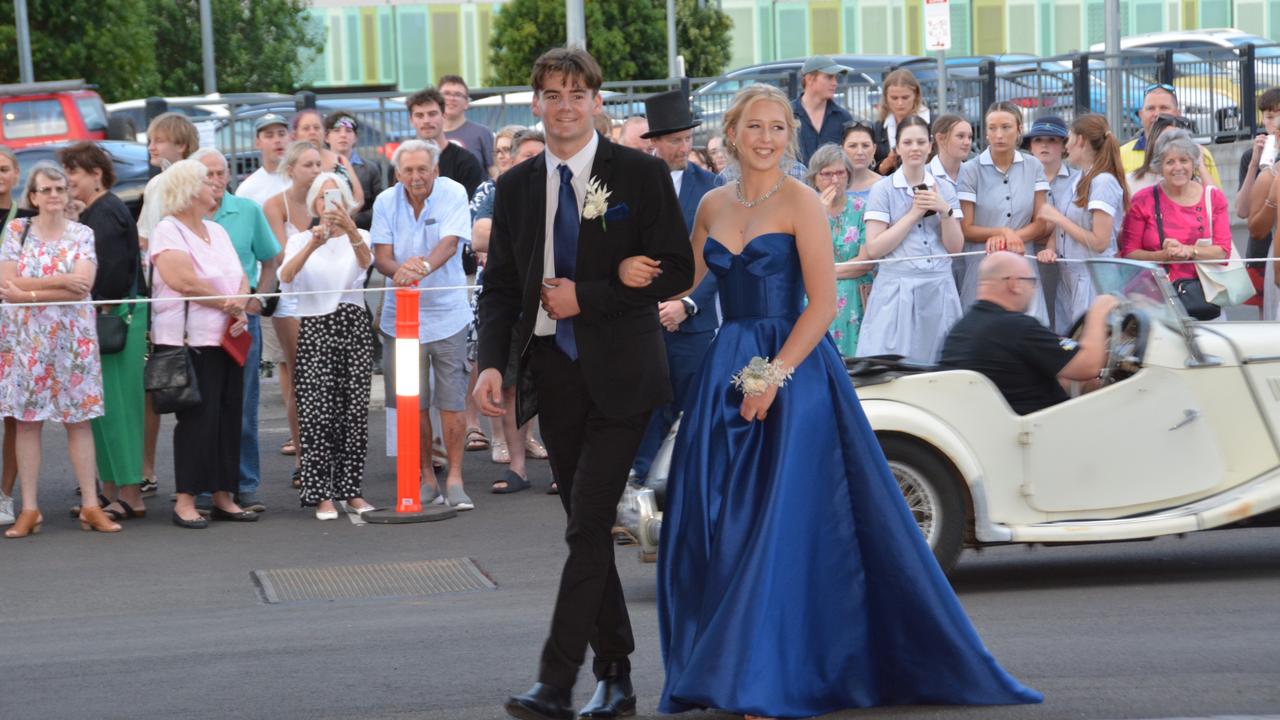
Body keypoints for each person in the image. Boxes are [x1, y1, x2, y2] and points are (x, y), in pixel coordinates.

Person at [641, 84, 1041, 718]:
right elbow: (686, 280)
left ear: (788, 136)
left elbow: (824, 305)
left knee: (781, 524)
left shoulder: (801, 202)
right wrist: (630, 268)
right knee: (723, 522)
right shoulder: (712, 204)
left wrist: (771, 378)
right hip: (730, 364)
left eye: (778, 127)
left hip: (792, 365)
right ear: (734, 134)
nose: (767, 137)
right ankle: (733, 666)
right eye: (755, 127)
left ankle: (765, 676)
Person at [473, 47, 693, 720]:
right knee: (587, 529)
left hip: (624, 375)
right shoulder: (514, 188)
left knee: (587, 525)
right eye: (552, 94)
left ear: (598, 101)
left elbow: (678, 268)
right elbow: (502, 289)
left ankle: (556, 680)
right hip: (554, 376)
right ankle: (618, 677)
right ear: (535, 102)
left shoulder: (640, 173)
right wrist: (490, 364)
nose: (565, 106)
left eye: (577, 94)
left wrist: (590, 296)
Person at [0, 164, 116, 538]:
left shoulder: (83, 233)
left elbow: (83, 286)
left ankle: (90, 504)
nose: (54, 196)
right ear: (32, 197)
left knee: (78, 421)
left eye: (60, 189)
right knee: (27, 423)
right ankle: (29, 509)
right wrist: (60, 281)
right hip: (27, 342)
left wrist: (30, 292)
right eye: (46, 189)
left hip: (73, 340)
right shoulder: (17, 231)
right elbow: (6, 284)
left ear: (68, 195)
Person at [149, 159, 256, 529]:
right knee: (198, 420)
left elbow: (241, 275)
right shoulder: (169, 230)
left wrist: (240, 302)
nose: (214, 184)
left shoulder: (217, 230)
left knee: (230, 416)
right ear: (187, 189)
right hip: (191, 341)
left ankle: (225, 494)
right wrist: (226, 303)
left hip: (228, 338)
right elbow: (183, 281)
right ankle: (186, 499)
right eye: (205, 180)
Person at [372, 139, 475, 510]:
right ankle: (427, 478)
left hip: (448, 316)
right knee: (412, 403)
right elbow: (381, 256)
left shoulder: (453, 191)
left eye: (422, 170)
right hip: (401, 319)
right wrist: (402, 271)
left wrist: (423, 267)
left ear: (435, 170)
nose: (416, 177)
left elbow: (450, 245)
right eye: (408, 171)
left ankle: (456, 479)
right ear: (398, 174)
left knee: (452, 403)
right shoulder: (386, 201)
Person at [628, 89, 723, 486]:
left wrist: (688, 304)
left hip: (694, 322)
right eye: (674, 140)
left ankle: (694, 489)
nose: (684, 147)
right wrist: (648, 304)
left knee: (696, 409)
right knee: (645, 408)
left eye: (688, 138)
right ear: (654, 142)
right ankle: (637, 489)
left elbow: (723, 257)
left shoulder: (713, 186)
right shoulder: (629, 182)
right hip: (642, 319)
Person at [279, 173, 376, 520]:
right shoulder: (299, 239)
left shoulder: (360, 235)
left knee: (354, 412)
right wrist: (312, 245)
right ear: (313, 205)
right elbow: (286, 277)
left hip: (352, 323)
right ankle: (320, 494)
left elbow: (367, 264)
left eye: (334, 197)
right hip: (316, 326)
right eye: (321, 199)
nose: (328, 204)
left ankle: (351, 490)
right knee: (317, 413)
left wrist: (349, 229)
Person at [59, 143, 147, 521]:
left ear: (96, 173)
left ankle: (131, 494)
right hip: (115, 318)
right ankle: (112, 490)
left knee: (118, 410)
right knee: (106, 410)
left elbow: (109, 275)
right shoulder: (103, 210)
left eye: (73, 173)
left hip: (115, 319)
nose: (68, 181)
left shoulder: (105, 213)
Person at [193, 147, 281, 513]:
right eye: (207, 174)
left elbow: (271, 258)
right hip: (198, 321)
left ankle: (244, 483)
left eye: (220, 173)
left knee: (243, 404)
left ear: (229, 176)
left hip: (241, 322)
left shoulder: (247, 210)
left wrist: (259, 299)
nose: (215, 180)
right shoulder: (185, 215)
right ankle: (201, 486)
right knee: (201, 406)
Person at [939, 252, 1117, 414]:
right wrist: (1098, 312)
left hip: (987, 421)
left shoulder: (964, 327)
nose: (1034, 289)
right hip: (1038, 429)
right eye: (1031, 282)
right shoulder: (1017, 327)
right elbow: (1088, 366)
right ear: (1014, 284)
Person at [472, 129, 548, 490]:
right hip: (514, 309)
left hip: (557, 309)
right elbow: (480, 236)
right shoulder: (501, 193)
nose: (534, 162)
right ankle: (517, 468)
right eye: (526, 157)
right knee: (512, 387)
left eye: (540, 156)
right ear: (513, 161)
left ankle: (563, 471)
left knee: (559, 390)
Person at [858, 117, 964, 362]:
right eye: (907, 142)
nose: (914, 148)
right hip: (897, 291)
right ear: (898, 147)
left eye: (920, 142)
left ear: (930, 145)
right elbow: (874, 248)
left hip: (939, 289)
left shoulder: (945, 187)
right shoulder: (883, 189)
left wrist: (944, 211)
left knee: (941, 367)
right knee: (893, 366)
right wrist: (914, 213)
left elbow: (955, 248)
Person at [138, 113, 200, 499]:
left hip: (167, 299)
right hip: (180, 296)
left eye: (158, 140)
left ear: (180, 145)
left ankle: (147, 470)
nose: (151, 147)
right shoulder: (156, 184)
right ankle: (192, 479)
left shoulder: (162, 183)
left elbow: (145, 242)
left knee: (158, 383)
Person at [1035, 114, 1130, 334]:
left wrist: (1058, 218)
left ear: (1081, 141)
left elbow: (1099, 242)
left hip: (1093, 278)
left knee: (1090, 346)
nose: (1066, 145)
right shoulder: (1081, 178)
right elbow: (1066, 229)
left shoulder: (1103, 181)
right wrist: (1051, 248)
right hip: (1070, 276)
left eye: (1068, 138)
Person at [958, 101, 1051, 325]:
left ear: (1019, 129)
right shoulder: (970, 170)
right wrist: (1002, 232)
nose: (998, 134)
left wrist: (1013, 238)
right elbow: (966, 228)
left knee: (1028, 336)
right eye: (992, 128)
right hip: (983, 268)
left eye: (1006, 127)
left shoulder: (1034, 166)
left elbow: (1041, 222)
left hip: (1023, 265)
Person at [1119, 131, 1231, 316]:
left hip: (1204, 297)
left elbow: (1222, 251)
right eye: (1170, 162)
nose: (1178, 167)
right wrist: (1164, 255)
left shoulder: (1213, 198)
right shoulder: (1142, 200)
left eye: (1184, 160)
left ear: (1193, 164)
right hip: (1153, 299)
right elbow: (1129, 253)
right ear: (1159, 167)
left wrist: (1188, 251)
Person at [263, 141, 323, 485]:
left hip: (324, 294)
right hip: (291, 298)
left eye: (318, 164)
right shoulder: (275, 204)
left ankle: (327, 454)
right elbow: (281, 254)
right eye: (308, 165)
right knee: (300, 380)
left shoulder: (329, 201)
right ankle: (303, 457)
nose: (315, 170)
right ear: (291, 170)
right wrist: (312, 240)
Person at [806, 143, 872, 356]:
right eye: (827, 174)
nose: (834, 180)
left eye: (840, 173)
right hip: (817, 299)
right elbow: (804, 259)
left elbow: (865, 262)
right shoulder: (805, 211)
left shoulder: (862, 207)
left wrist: (825, 272)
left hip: (855, 298)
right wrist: (820, 215)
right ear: (815, 178)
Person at [1118, 84, 1221, 187]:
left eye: (1164, 108)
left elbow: (1216, 198)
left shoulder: (1200, 154)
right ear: (1141, 115)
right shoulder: (1121, 155)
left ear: (1178, 113)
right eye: (1150, 108)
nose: (1157, 114)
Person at [405, 86, 486, 197]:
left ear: (444, 116)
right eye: (419, 115)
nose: (426, 121)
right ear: (411, 120)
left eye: (432, 114)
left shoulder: (466, 162)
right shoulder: (403, 163)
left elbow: (472, 208)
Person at [0, 146, 22, 525]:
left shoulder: (29, 220)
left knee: (16, 417)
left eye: (3, 169)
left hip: (17, 326)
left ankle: (5, 495)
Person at [1237, 88, 1280, 276]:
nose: (1276, 124)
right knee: (1267, 304)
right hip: (1261, 253)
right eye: (1269, 117)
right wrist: (1254, 163)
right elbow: (1242, 211)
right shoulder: (1251, 156)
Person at [292, 108, 364, 211]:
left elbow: (358, 197)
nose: (312, 132)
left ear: (324, 132)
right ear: (295, 135)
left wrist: (341, 218)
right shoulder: (291, 164)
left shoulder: (340, 160)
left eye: (317, 128)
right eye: (306, 128)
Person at [324, 111, 385, 230]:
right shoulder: (318, 167)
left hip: (361, 229)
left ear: (356, 137)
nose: (343, 135)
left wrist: (353, 220)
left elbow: (380, 205)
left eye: (348, 130)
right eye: (337, 131)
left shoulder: (370, 169)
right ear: (326, 137)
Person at [792, 54, 854, 165]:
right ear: (809, 79)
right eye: (829, 77)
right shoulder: (787, 115)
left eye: (836, 78)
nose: (835, 83)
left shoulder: (843, 118)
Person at [1124, 113, 1205, 193]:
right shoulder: (1130, 182)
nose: (1173, 146)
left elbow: (1213, 199)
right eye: (1166, 138)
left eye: (1178, 139)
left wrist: (1199, 163)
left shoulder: (1192, 181)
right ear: (1153, 142)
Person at [873, 68, 929, 175]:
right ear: (886, 97)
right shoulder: (878, 128)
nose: (900, 103)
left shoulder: (932, 123)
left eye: (905, 97)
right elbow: (871, 173)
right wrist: (887, 163)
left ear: (915, 95)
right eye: (894, 98)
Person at [439, 75, 496, 174]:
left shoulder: (482, 133)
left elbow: (494, 171)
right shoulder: (428, 136)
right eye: (446, 93)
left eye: (458, 94)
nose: (452, 98)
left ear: (467, 103)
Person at [235, 113, 293, 205]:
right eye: (269, 136)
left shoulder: (303, 179)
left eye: (281, 134)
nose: (277, 140)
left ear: (290, 138)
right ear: (257, 143)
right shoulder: (247, 190)